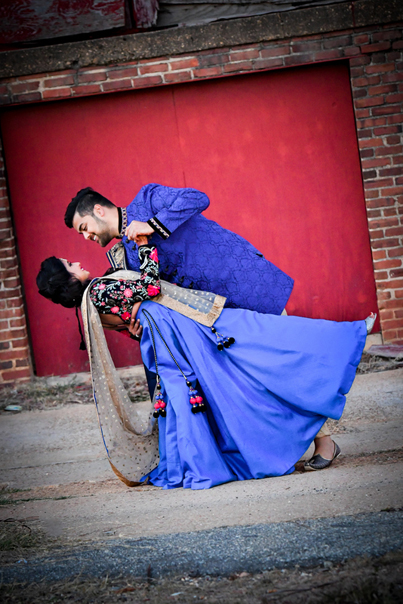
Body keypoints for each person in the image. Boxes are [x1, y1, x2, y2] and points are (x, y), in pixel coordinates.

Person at [37, 242, 375, 489]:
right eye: (70, 263)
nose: (77, 261)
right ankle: (346, 339)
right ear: (67, 279)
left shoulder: (89, 308)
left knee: (230, 380)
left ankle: (211, 459)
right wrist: (145, 247)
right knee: (263, 340)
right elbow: (151, 288)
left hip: (173, 342)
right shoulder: (98, 291)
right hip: (188, 333)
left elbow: (134, 317)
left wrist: (135, 321)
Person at [64, 185, 294, 316]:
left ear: (99, 211)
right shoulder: (127, 256)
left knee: (289, 345)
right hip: (215, 310)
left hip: (241, 278)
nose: (87, 237)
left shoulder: (147, 199)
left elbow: (197, 198)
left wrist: (152, 225)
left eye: (85, 227)